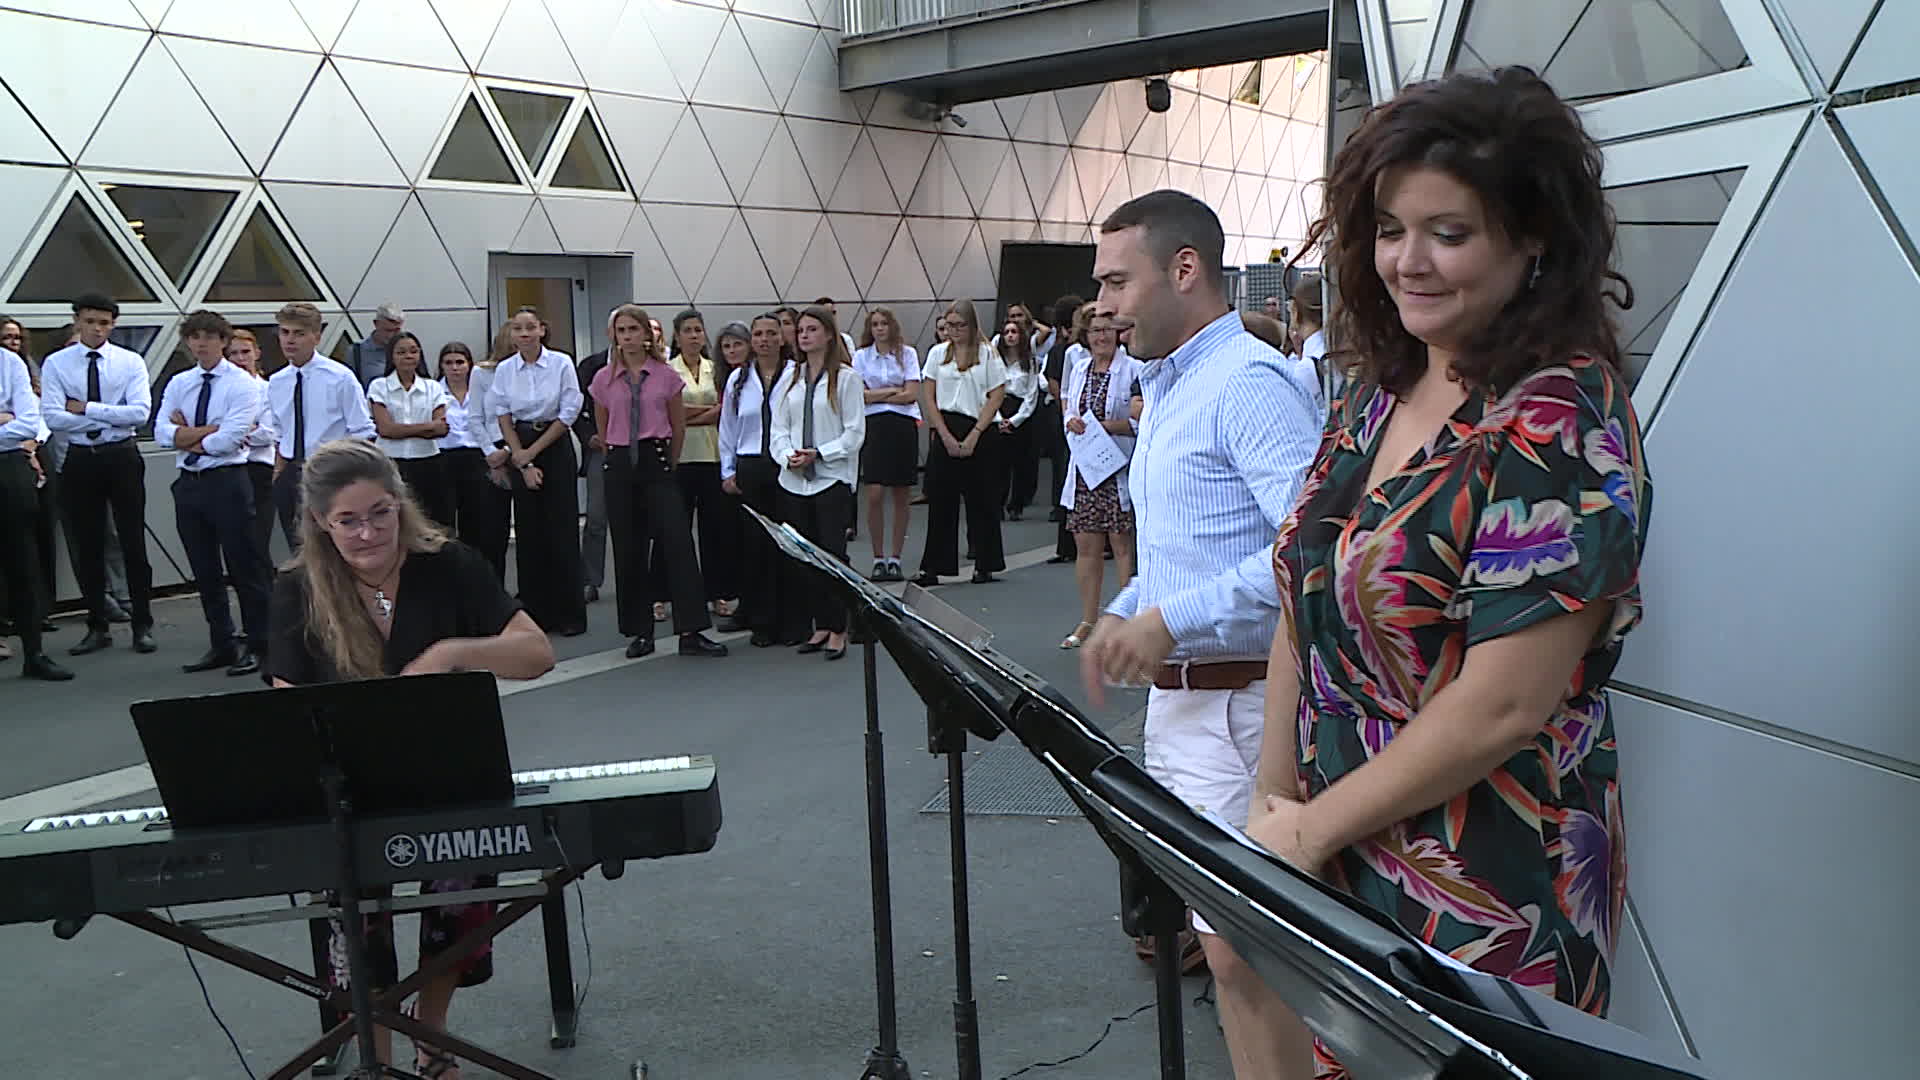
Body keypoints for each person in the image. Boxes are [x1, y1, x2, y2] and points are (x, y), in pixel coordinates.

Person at [1249, 69, 1652, 1079]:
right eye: (1390, 228)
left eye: (1449, 232)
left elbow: (1501, 709)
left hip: (1483, 873)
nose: (1407, 261)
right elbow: (1304, 593)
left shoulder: (1559, 417)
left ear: (1535, 240)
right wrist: (1271, 795)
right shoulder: (1376, 393)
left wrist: (1304, 831)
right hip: (1325, 828)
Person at [1076, 189, 1322, 1073]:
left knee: (1250, 960)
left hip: (1245, 709)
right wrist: (1124, 611)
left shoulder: (1248, 385)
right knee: (1229, 960)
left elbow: (1309, 558)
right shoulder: (1171, 385)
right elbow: (1185, 553)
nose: (1101, 305)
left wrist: (1169, 618)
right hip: (1191, 712)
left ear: (1185, 270)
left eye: (1115, 281)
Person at [266, 438, 554, 1080]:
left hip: (448, 775)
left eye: (381, 513)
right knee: (350, 905)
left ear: (401, 505)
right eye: (348, 520)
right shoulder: (298, 589)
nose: (368, 533)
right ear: (319, 521)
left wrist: (454, 652)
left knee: (459, 884)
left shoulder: (448, 564)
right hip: (347, 785)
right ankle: (380, 1058)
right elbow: (286, 707)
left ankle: (432, 1033)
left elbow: (536, 653)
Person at [588, 305, 727, 659]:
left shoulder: (665, 375)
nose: (628, 337)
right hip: (620, 462)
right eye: (621, 330)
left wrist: (669, 461)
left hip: (657, 457)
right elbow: (603, 429)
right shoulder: (605, 378)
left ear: (647, 335)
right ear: (614, 336)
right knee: (629, 548)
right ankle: (640, 631)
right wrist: (614, 456)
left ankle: (691, 630)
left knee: (676, 543)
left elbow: (677, 425)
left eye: (634, 329)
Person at [154, 310, 272, 677]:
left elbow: (230, 439)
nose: (201, 343)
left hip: (228, 481)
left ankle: (259, 645)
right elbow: (160, 432)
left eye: (209, 336)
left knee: (244, 566)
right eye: (194, 336)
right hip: (189, 484)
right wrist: (206, 432)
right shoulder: (179, 382)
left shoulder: (241, 384)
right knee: (204, 569)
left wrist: (188, 435)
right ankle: (221, 643)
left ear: (222, 341)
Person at [39, 293, 157, 656]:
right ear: (77, 321)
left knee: (132, 541)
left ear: (113, 325)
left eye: (104, 323)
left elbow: (138, 413)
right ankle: (97, 624)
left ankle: (142, 624)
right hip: (79, 458)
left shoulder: (129, 362)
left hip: (120, 455)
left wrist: (87, 408)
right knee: (88, 544)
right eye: (90, 321)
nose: (97, 329)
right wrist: (108, 413)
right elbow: (54, 416)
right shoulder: (57, 363)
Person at [769, 306, 865, 660]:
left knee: (832, 554)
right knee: (804, 557)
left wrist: (819, 453)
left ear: (828, 334)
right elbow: (778, 427)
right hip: (795, 480)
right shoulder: (790, 377)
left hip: (830, 478)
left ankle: (840, 626)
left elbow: (854, 433)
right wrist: (786, 456)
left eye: (812, 329)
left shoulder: (847, 379)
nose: (804, 335)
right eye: (800, 330)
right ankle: (820, 624)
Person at [492, 308, 587, 637]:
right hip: (520, 443)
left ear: (542, 330)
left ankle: (570, 613)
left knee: (561, 529)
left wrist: (535, 453)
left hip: (554, 442)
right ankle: (537, 613)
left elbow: (570, 409)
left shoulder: (561, 363)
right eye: (517, 329)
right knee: (531, 533)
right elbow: (501, 412)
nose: (524, 334)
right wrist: (521, 457)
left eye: (530, 327)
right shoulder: (505, 370)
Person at [1058, 312, 1143, 650]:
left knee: (1122, 545)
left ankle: (1125, 622)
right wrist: (1073, 422)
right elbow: (1068, 407)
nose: (1100, 337)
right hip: (1085, 468)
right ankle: (1088, 620)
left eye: (1107, 330)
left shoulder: (1132, 368)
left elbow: (1140, 420)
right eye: (1094, 331)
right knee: (1086, 546)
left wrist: (1108, 426)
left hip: (1117, 466)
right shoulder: (1079, 367)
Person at [911, 301, 1006, 587]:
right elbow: (928, 395)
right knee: (940, 498)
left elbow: (997, 394)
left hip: (979, 425)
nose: (953, 331)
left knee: (982, 499)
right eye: (949, 325)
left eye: (959, 325)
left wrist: (976, 433)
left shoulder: (988, 354)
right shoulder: (938, 354)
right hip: (946, 425)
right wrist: (943, 433)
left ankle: (985, 562)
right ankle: (934, 566)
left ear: (972, 325)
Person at [269, 302, 375, 552]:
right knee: (298, 549)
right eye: (285, 333)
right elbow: (279, 432)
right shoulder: (277, 381)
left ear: (316, 337)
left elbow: (362, 431)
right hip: (291, 472)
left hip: (330, 472)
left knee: (333, 548)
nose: (290, 340)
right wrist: (278, 474)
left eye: (299, 333)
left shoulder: (339, 377)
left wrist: (350, 478)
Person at [654, 309, 733, 625]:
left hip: (713, 456)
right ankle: (659, 594)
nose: (694, 336)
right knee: (672, 530)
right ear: (677, 335)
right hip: (680, 456)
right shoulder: (666, 370)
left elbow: (725, 411)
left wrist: (689, 416)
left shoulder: (717, 369)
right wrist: (704, 414)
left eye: (699, 330)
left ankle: (717, 593)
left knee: (715, 530)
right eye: (687, 330)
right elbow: (668, 412)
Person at [718, 315, 791, 647]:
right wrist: (728, 470)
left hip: (785, 465)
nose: (764, 340)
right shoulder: (738, 378)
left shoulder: (795, 375)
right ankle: (760, 619)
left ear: (781, 338)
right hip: (749, 465)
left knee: (785, 544)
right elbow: (728, 427)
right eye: (758, 334)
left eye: (770, 334)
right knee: (754, 546)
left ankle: (789, 619)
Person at [0, 340, 70, 679]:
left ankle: (35, 654)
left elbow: (28, 424)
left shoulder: (9, 363)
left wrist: (11, 421)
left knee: (23, 563)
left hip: (9, 468)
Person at [850, 307, 919, 582]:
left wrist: (878, 394)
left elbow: (912, 395)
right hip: (874, 425)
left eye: (884, 324)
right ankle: (878, 556)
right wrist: (892, 391)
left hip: (902, 424)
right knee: (875, 492)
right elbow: (859, 396)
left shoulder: (908, 354)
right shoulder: (861, 356)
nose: (880, 329)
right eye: (875, 324)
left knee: (901, 493)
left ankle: (896, 557)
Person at [368, 331, 453, 528]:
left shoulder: (432, 387)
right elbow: (386, 429)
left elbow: (441, 428)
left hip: (428, 461)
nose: (408, 356)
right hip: (390, 462)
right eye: (401, 352)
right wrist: (426, 427)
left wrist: (405, 429)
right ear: (392, 356)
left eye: (413, 351)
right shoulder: (379, 386)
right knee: (394, 519)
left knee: (431, 521)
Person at [433, 342, 503, 572]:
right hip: (444, 457)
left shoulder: (481, 389)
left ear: (469, 365)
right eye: (449, 363)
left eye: (460, 362)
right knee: (444, 523)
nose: (455, 368)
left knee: (480, 523)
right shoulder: (434, 391)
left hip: (477, 457)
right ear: (441, 366)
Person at [224, 330, 280, 568]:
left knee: (258, 542)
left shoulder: (269, 389)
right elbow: (214, 428)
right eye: (233, 353)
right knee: (236, 543)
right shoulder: (223, 390)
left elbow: (269, 433)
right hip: (229, 469)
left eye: (245, 352)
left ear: (257, 353)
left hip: (260, 470)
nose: (240, 358)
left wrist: (232, 431)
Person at [573, 315, 616, 604]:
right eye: (618, 329)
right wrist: (589, 436)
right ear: (609, 331)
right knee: (597, 518)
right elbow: (574, 406)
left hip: (637, 450)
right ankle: (590, 579)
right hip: (600, 449)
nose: (624, 335)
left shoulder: (650, 368)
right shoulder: (590, 366)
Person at [995, 319, 1042, 520]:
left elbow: (1032, 392)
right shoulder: (996, 362)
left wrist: (1016, 420)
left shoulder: (1029, 361)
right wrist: (998, 419)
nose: (1010, 335)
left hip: (1020, 412)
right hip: (999, 408)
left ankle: (1016, 505)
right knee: (998, 465)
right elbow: (988, 390)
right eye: (1007, 332)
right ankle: (997, 503)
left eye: (1014, 331)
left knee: (1021, 463)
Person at [348, 301, 405, 389]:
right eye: (387, 330)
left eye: (396, 331)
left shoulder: (408, 351)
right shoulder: (356, 353)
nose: (391, 336)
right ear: (376, 324)